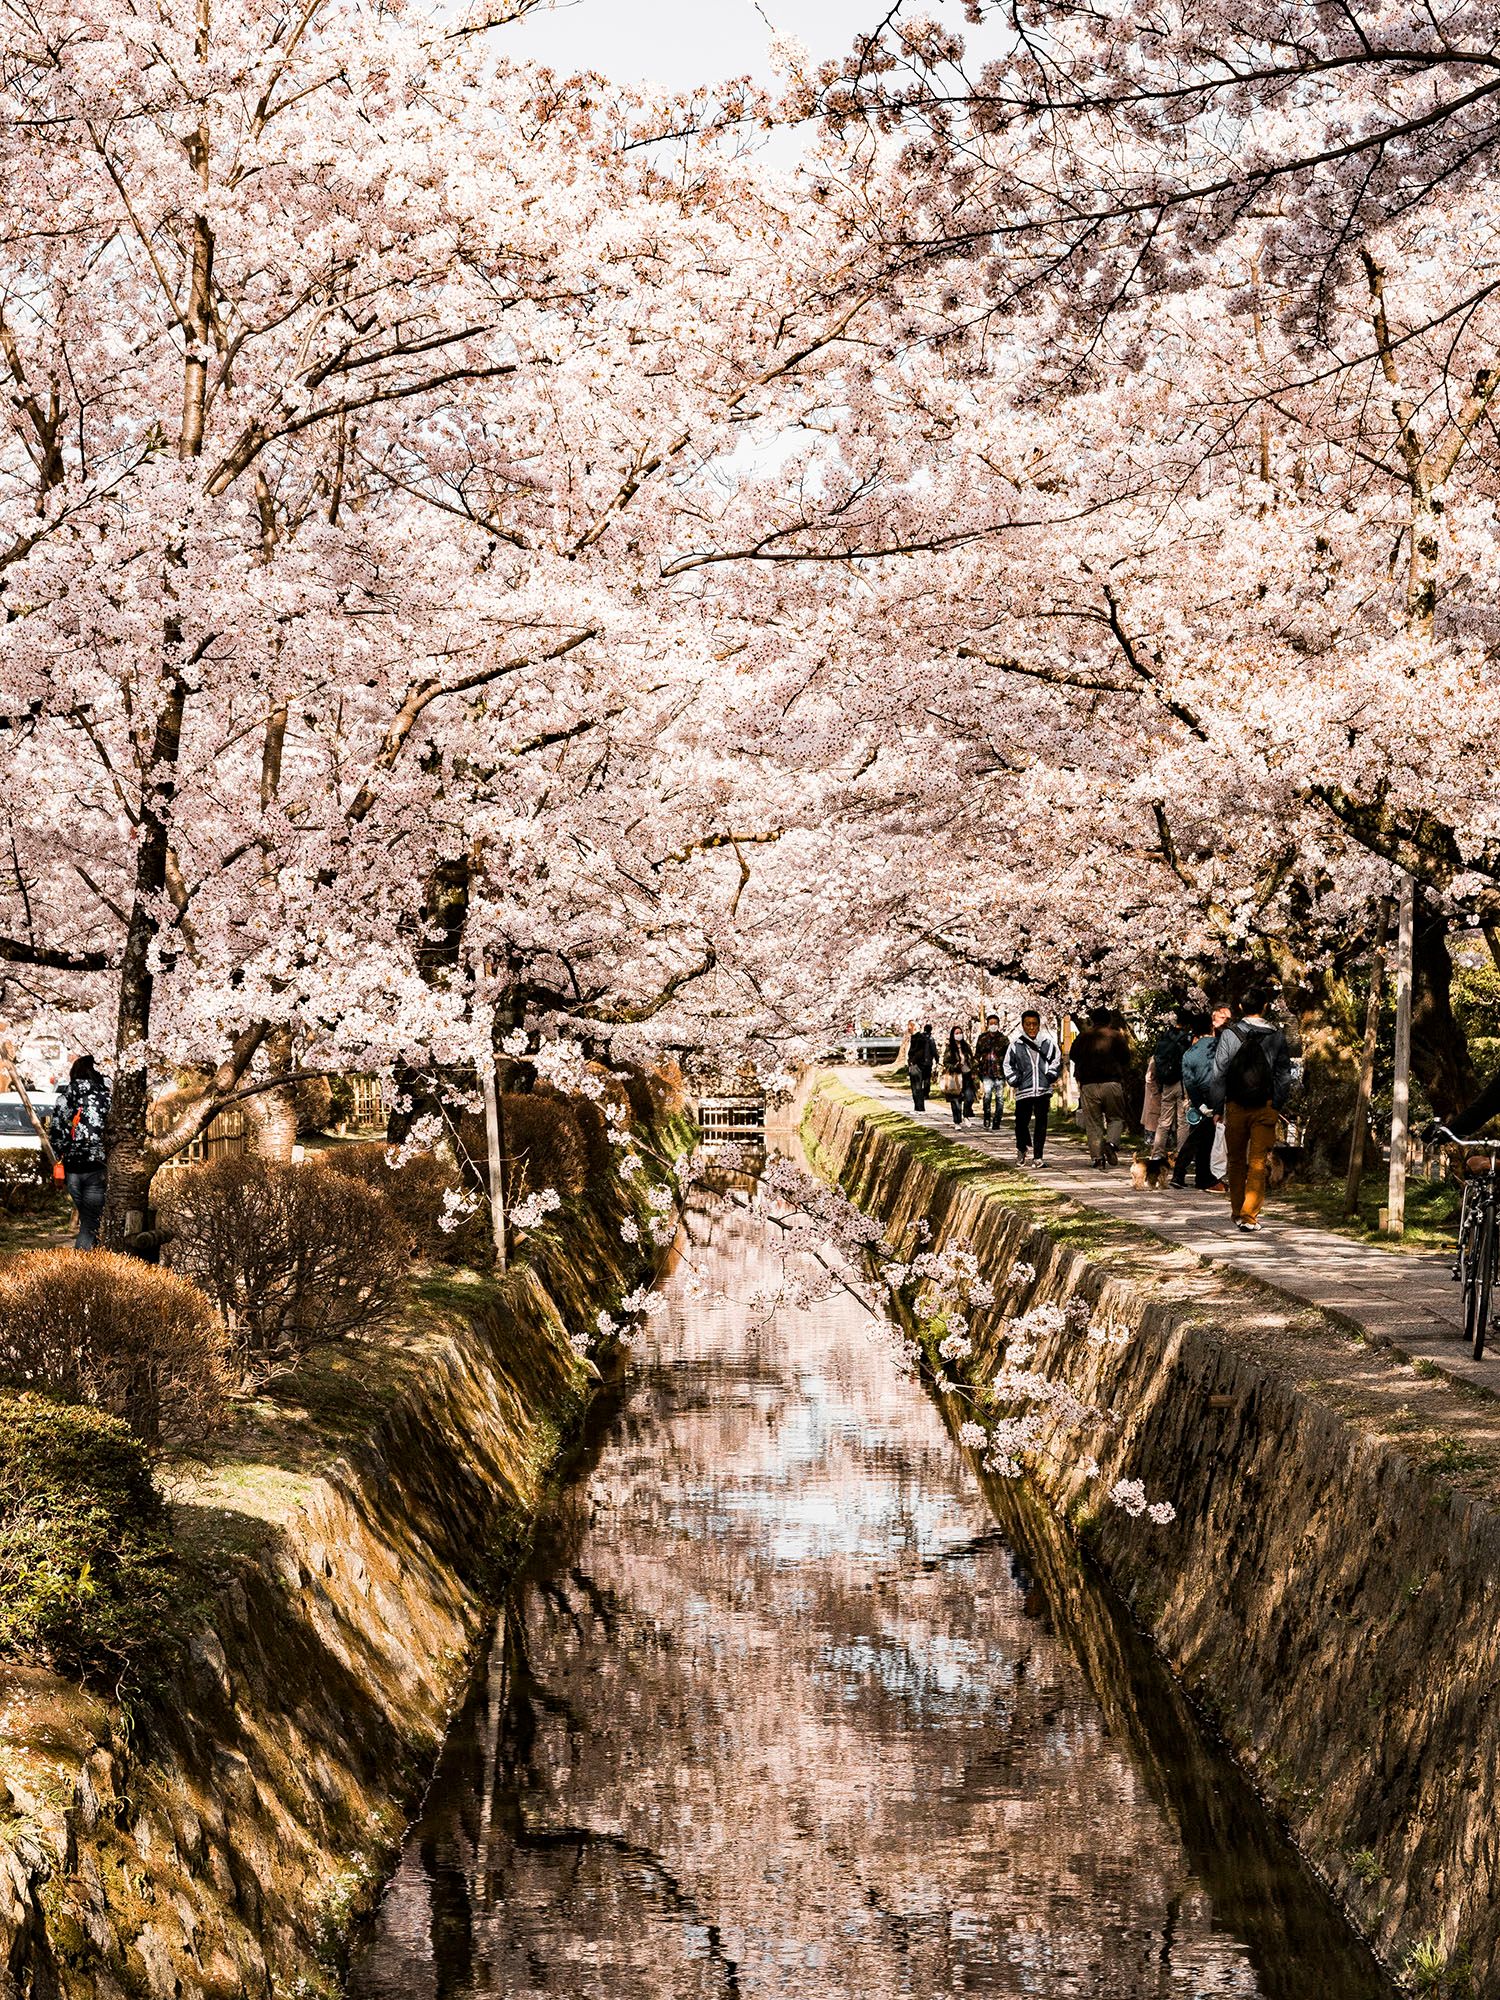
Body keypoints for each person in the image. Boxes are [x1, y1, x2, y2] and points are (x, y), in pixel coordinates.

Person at [1208, 988, 1295, 1231]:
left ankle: (1237, 1211)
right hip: (1265, 1106)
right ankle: (1249, 1215)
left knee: (1235, 1160)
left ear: (1240, 1008)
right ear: (1266, 1006)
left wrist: (1217, 1107)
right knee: (1258, 1161)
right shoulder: (1276, 1035)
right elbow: (1283, 1075)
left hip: (1235, 1105)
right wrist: (1276, 1105)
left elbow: (1218, 1074)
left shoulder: (1229, 1035)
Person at [48, 1053, 111, 1251]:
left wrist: (63, 1152)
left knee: (89, 1220)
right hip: (97, 1164)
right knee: (91, 1222)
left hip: (73, 1167)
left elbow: (56, 1131)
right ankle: (83, 1269)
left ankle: (87, 1268)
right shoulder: (106, 1096)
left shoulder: (65, 1097)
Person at [1173, 1005, 1231, 1191]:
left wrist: (1200, 1105)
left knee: (1202, 1137)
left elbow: (1189, 1083)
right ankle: (1192, 1176)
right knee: (1202, 1139)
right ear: (1211, 1027)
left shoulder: (1188, 1054)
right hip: (1219, 1095)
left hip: (1200, 1100)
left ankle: (1197, 1177)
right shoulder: (1220, 1047)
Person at [1070, 1007, 1131, 1168]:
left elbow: (1073, 1056)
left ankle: (1097, 1158)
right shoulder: (1116, 1036)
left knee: (1093, 1122)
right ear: (1109, 1020)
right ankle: (1110, 1144)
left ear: (1091, 1020)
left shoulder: (1083, 1037)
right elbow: (1126, 1058)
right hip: (1112, 1083)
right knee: (1116, 1118)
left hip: (1089, 1084)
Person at [1004, 1010, 1061, 1166]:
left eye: (1034, 1024)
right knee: (1021, 1123)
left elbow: (1056, 1061)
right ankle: (1021, 1149)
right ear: (1023, 1025)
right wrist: (1015, 1079)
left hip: (1043, 1090)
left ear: (1039, 1025)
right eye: (1028, 1024)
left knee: (1041, 1123)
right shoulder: (1016, 1045)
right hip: (1024, 1090)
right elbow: (1008, 1064)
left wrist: (1050, 1075)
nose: (1031, 1027)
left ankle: (1038, 1156)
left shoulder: (1048, 1043)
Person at [1145, 1010, 1193, 1183]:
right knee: (1183, 1122)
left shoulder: (1165, 1036)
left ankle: (1157, 1154)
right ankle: (1181, 1156)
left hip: (1167, 1083)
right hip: (1182, 1083)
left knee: (1163, 1121)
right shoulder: (1187, 1039)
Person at [974, 1014, 1010, 1130]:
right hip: (986, 1072)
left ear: (998, 1025)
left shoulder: (1003, 1039)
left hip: (999, 1072)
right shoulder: (982, 1038)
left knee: (999, 1098)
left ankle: (997, 1120)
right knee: (987, 1096)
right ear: (987, 1024)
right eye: (991, 1023)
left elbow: (1008, 1056)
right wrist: (976, 1067)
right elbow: (977, 1054)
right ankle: (987, 1117)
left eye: (995, 1023)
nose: (993, 1025)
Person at [940, 1025, 975, 1127]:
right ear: (953, 1035)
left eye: (960, 1033)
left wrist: (973, 1069)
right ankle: (957, 1121)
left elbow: (971, 1059)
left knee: (969, 1097)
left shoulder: (966, 1046)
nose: (959, 1035)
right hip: (955, 1076)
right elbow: (946, 1062)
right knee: (956, 1100)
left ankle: (966, 1115)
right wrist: (955, 1066)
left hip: (967, 1074)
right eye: (956, 1033)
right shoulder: (950, 1048)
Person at [908, 1022, 937, 1113]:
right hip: (927, 1063)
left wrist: (911, 1061)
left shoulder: (917, 1038)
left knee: (916, 1086)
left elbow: (912, 1052)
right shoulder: (930, 1039)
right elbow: (934, 1050)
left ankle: (919, 1106)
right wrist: (937, 1058)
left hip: (916, 1064)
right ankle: (925, 1096)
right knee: (924, 1081)